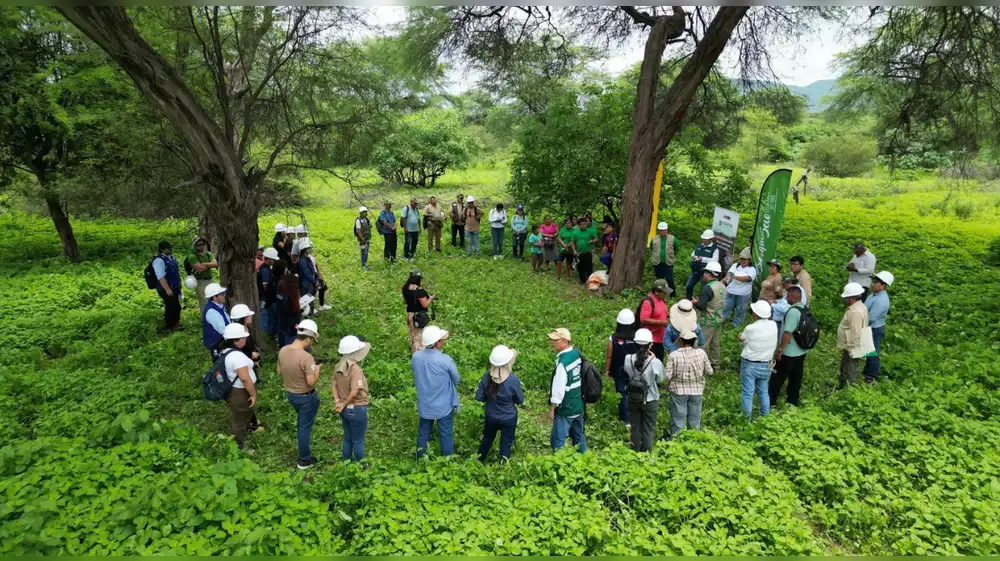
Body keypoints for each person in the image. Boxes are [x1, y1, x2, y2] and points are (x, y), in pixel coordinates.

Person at [277, 319, 322, 469]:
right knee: (304, 428)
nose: (311, 343)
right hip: (306, 397)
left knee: (302, 425)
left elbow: (279, 371)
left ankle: (305, 457)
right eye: (312, 340)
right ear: (308, 338)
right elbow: (311, 382)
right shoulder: (306, 357)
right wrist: (316, 370)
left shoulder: (283, 350)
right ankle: (304, 460)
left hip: (291, 394)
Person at [412, 325, 460, 458]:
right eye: (441, 340)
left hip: (425, 403)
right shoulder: (446, 360)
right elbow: (456, 379)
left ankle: (420, 458)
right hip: (443, 405)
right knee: (445, 433)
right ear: (437, 343)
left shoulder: (416, 357)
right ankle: (447, 460)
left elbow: (416, 372)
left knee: (423, 432)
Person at [476, 345, 524, 462]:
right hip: (509, 417)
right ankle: (503, 465)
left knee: (487, 438)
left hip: (491, 415)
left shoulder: (487, 376)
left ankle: (479, 460)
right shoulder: (513, 380)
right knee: (506, 442)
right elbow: (520, 400)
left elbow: (479, 397)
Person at [623, 328, 665, 452]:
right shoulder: (655, 362)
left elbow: (627, 373)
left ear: (635, 344)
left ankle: (635, 450)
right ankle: (646, 451)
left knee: (635, 426)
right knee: (649, 428)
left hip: (633, 397)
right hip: (650, 399)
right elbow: (661, 379)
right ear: (650, 345)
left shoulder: (628, 359)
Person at [666, 329, 713, 436]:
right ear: (694, 341)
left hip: (678, 391)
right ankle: (694, 440)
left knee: (678, 417)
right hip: (697, 390)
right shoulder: (701, 353)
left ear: (681, 341)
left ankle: (677, 441)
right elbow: (710, 371)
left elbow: (667, 376)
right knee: (695, 417)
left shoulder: (673, 355)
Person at [334, 334, 371, 465]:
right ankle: (363, 466)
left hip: (345, 410)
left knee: (348, 438)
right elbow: (354, 391)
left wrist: (338, 401)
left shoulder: (339, 366)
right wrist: (343, 404)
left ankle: (346, 463)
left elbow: (333, 383)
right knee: (358, 440)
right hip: (357, 408)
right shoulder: (355, 370)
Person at [220, 322, 258, 452]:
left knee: (242, 416)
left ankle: (241, 440)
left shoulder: (227, 351)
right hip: (240, 391)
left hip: (236, 390)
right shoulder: (237, 357)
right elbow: (245, 379)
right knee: (239, 420)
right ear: (235, 340)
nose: (245, 339)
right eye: (243, 338)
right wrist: (253, 394)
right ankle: (238, 447)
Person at [547, 328, 586, 453]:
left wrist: (553, 408)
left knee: (557, 440)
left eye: (555, 340)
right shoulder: (576, 354)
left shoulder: (562, 364)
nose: (552, 342)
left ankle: (558, 463)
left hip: (566, 407)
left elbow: (559, 390)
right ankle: (583, 459)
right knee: (579, 435)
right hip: (578, 403)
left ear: (564, 341)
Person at [770, 286, 809, 407]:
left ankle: (771, 401)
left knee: (777, 377)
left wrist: (780, 350)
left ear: (793, 297)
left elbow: (787, 333)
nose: (786, 298)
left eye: (788, 296)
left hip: (789, 352)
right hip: (801, 351)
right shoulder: (804, 309)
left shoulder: (792, 312)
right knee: (796, 377)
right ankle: (792, 401)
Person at [738, 300, 776, 420]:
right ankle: (765, 417)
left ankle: (746, 419)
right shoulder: (773, 325)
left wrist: (739, 336)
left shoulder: (751, 328)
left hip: (751, 364)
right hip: (767, 363)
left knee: (748, 392)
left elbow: (742, 338)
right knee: (763, 391)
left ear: (756, 314)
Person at [604, 309, 637, 427]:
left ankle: (625, 419)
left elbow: (609, 355)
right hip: (635, 370)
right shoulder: (637, 336)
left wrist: (607, 370)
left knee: (622, 393)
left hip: (619, 370)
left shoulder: (613, 338)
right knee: (634, 391)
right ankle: (635, 416)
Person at [694, 261, 726, 371]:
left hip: (708, 320)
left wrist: (695, 302)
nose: (704, 275)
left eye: (705, 273)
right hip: (718, 319)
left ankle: (699, 366)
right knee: (715, 344)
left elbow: (701, 306)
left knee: (703, 343)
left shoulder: (708, 288)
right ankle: (715, 365)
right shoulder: (722, 285)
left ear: (709, 274)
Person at [837, 282, 870, 388]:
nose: (845, 300)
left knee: (851, 367)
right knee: (846, 364)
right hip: (852, 342)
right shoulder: (860, 305)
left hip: (853, 344)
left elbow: (855, 332)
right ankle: (842, 383)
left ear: (852, 298)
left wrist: (852, 349)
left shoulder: (855, 311)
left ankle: (849, 388)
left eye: (846, 298)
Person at [864, 271, 893, 382]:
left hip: (875, 329)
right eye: (873, 281)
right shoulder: (874, 294)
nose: (872, 284)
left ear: (883, 285)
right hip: (871, 327)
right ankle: (867, 373)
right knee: (868, 351)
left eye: (875, 282)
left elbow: (871, 318)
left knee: (872, 352)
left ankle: (871, 377)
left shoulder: (881, 300)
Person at [722, 248, 756, 328]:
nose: (743, 261)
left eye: (745, 259)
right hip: (730, 291)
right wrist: (724, 280)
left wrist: (735, 277)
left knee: (740, 310)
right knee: (725, 307)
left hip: (743, 294)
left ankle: (736, 326)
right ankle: (720, 321)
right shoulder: (735, 266)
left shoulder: (752, 269)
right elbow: (729, 274)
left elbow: (748, 278)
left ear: (749, 260)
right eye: (742, 259)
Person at [152, 240, 182, 331]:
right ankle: (170, 325)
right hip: (166, 288)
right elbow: (161, 277)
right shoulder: (159, 260)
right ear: (162, 249)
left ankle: (176, 323)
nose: (170, 249)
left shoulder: (170, 257)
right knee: (171, 307)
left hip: (175, 287)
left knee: (177, 306)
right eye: (168, 248)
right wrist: (167, 289)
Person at [402, 270, 434, 353]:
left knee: (413, 335)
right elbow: (425, 305)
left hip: (410, 315)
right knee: (420, 337)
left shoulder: (405, 288)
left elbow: (405, 301)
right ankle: (419, 356)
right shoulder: (420, 291)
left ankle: (414, 351)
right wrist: (430, 299)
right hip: (419, 317)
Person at [638, 279, 671, 361]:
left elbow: (662, 312)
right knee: (650, 362)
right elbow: (643, 319)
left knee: (659, 361)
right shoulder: (648, 302)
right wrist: (661, 322)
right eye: (664, 292)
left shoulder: (661, 300)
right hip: (651, 339)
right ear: (657, 292)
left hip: (660, 338)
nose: (666, 294)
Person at [184, 237, 218, 311]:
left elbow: (215, 264)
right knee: (204, 302)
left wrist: (204, 264)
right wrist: (210, 265)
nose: (201, 246)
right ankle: (205, 320)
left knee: (214, 299)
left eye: (202, 244)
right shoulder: (192, 256)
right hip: (200, 281)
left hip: (210, 280)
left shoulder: (208, 254)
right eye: (198, 245)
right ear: (194, 245)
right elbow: (199, 269)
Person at [686, 230, 720, 300]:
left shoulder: (714, 249)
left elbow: (715, 260)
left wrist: (703, 259)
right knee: (689, 286)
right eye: (703, 238)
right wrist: (694, 257)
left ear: (711, 239)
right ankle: (689, 300)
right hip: (695, 270)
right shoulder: (698, 246)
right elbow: (693, 254)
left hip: (705, 273)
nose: (703, 240)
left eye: (705, 239)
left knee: (704, 289)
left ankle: (701, 303)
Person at [274, 263, 302, 347]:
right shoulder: (290, 299)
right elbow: (292, 312)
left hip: (282, 323)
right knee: (290, 341)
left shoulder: (281, 290)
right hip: (290, 326)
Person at [650, 222, 680, 296]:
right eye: (660, 230)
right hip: (657, 262)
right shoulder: (654, 238)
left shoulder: (672, 238)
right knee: (659, 280)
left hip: (668, 263)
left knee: (669, 279)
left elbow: (677, 248)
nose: (662, 231)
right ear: (658, 230)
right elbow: (651, 248)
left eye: (663, 230)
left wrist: (671, 255)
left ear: (667, 230)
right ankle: (660, 293)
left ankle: (672, 294)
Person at [202, 283, 230, 360]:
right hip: (218, 344)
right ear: (214, 297)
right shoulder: (211, 311)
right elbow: (223, 330)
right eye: (221, 294)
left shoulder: (219, 306)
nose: (224, 295)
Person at [257, 248, 278, 337]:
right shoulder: (265, 270)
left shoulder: (265, 268)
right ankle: (264, 335)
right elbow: (265, 286)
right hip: (264, 297)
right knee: (264, 315)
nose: (274, 261)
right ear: (269, 259)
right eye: (273, 259)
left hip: (264, 297)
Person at [574, 217, 598, 284]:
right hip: (579, 253)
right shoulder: (575, 232)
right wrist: (574, 250)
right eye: (582, 224)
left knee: (589, 268)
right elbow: (572, 242)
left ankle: (590, 281)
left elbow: (596, 238)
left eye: (585, 224)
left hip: (588, 253)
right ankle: (582, 280)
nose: (583, 225)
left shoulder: (590, 231)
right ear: (579, 225)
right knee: (580, 267)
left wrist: (593, 240)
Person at [555, 217, 576, 281]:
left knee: (568, 263)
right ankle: (558, 276)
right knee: (559, 262)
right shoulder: (563, 229)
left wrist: (568, 245)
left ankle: (568, 276)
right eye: (566, 223)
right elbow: (559, 238)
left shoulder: (574, 230)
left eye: (569, 223)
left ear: (571, 224)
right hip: (562, 248)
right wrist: (563, 244)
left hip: (570, 249)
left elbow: (574, 239)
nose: (568, 224)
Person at [353, 206, 372, 271]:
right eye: (364, 212)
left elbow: (368, 227)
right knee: (363, 252)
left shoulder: (366, 219)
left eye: (366, 212)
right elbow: (358, 230)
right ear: (360, 213)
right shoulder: (358, 220)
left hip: (367, 238)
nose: (366, 213)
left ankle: (365, 263)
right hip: (363, 239)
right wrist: (362, 238)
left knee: (366, 252)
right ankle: (363, 265)